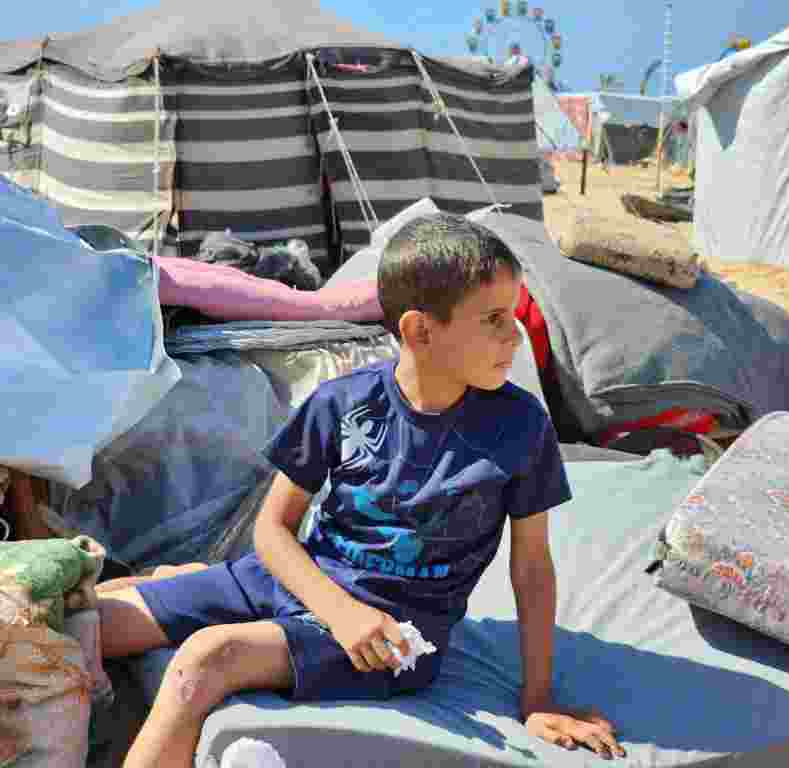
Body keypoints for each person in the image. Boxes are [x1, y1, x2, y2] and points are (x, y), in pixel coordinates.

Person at [97, 213, 627, 767]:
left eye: (512, 316)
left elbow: (532, 568)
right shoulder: (341, 402)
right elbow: (272, 529)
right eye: (494, 319)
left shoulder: (520, 427)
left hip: (389, 636)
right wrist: (335, 607)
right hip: (293, 584)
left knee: (206, 657)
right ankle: (169, 587)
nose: (513, 335)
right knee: (91, 625)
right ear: (421, 331)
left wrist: (537, 699)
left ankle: (176, 588)